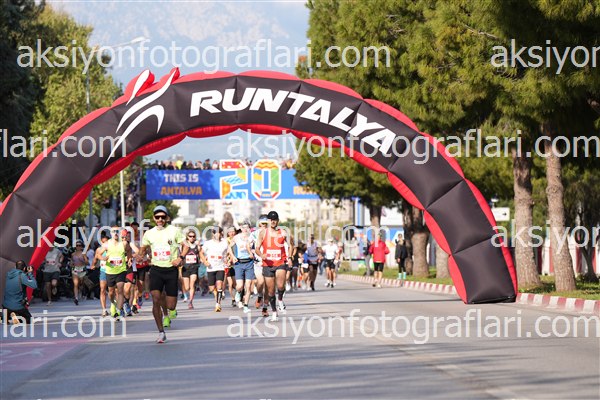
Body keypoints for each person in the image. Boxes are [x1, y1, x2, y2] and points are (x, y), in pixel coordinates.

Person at [137, 205, 186, 343]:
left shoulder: (174, 230)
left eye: (162, 217)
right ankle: (161, 332)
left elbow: (186, 245)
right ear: (154, 218)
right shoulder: (149, 234)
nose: (160, 219)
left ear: (167, 218)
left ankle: (169, 311)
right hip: (156, 269)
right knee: (155, 299)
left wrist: (180, 258)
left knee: (171, 305)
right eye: (157, 217)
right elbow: (143, 249)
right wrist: (140, 256)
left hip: (171, 270)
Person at [255, 211, 289, 321]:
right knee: (270, 291)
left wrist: (289, 257)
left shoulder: (283, 232)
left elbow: (291, 245)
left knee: (280, 286)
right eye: (271, 220)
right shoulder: (263, 233)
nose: (273, 221)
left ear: (278, 221)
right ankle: (274, 311)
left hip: (280, 262)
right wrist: (261, 255)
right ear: (268, 221)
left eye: (275, 220)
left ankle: (280, 300)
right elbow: (257, 248)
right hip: (267, 264)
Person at [101, 226, 134, 318]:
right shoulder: (106, 244)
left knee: (120, 290)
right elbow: (98, 254)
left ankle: (119, 311)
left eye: (117, 231)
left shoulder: (124, 243)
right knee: (111, 292)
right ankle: (113, 303)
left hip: (121, 270)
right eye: (113, 231)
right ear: (111, 233)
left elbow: (129, 250)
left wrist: (129, 258)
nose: (115, 233)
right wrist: (103, 258)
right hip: (110, 271)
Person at [199, 226, 228, 312]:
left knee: (219, 284)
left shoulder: (224, 243)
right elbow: (201, 253)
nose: (217, 234)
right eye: (215, 233)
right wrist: (205, 262)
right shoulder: (208, 243)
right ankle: (217, 294)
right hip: (211, 267)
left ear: (221, 233)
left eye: (219, 232)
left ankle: (218, 304)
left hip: (220, 267)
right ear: (213, 234)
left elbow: (227, 253)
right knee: (211, 288)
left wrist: (227, 260)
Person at [230, 222, 255, 313]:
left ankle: (246, 306)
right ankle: (238, 292)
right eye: (243, 227)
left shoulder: (252, 237)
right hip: (239, 263)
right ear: (240, 228)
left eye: (247, 227)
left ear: (249, 228)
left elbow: (257, 247)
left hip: (249, 263)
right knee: (240, 286)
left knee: (248, 286)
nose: (245, 229)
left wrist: (253, 253)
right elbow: (229, 247)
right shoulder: (236, 237)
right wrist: (233, 256)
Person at [251, 215, 269, 310]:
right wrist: (250, 252)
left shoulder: (271, 233)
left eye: (266, 224)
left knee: (268, 284)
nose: (264, 225)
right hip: (258, 262)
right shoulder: (254, 234)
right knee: (261, 282)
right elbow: (248, 245)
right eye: (262, 224)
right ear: (259, 224)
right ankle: (259, 296)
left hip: (269, 262)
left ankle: (265, 302)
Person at [180, 228, 201, 309]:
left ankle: (190, 301)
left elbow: (200, 254)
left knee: (192, 284)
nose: (192, 238)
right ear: (187, 237)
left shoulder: (197, 245)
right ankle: (187, 295)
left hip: (194, 267)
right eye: (190, 236)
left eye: (193, 236)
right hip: (185, 268)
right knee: (187, 287)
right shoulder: (184, 245)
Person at [91, 235, 109, 316]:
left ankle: (115, 306)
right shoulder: (99, 249)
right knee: (102, 289)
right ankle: (104, 309)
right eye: (103, 242)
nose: (104, 243)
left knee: (113, 291)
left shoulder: (112, 249)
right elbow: (95, 258)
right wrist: (93, 265)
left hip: (112, 271)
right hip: (103, 270)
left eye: (106, 241)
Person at [70, 240, 89, 305]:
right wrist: (71, 264)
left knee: (81, 282)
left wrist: (83, 261)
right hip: (75, 269)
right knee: (76, 284)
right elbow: (71, 262)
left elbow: (87, 262)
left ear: (81, 247)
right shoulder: (73, 254)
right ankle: (76, 298)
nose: (78, 247)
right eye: (77, 245)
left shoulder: (83, 254)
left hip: (82, 269)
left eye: (79, 245)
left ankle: (81, 290)